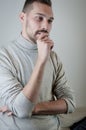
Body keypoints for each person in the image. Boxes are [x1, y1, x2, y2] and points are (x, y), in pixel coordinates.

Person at [0, 0, 75, 130]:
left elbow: (70, 103)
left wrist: (33, 108)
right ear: (23, 18)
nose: (45, 26)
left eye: (50, 20)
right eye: (39, 18)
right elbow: (22, 111)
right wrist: (41, 60)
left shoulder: (53, 57)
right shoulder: (4, 56)